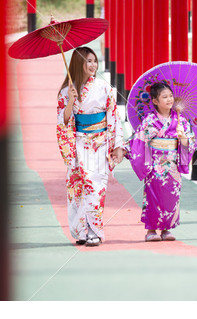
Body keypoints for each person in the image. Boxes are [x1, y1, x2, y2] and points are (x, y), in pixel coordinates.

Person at [56, 46, 124, 246]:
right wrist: (70, 101)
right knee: (78, 187)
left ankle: (94, 230)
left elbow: (114, 117)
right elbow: (63, 121)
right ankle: (81, 231)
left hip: (100, 143)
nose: (93, 65)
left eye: (95, 61)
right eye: (89, 61)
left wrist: (117, 145)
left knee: (96, 186)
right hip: (77, 143)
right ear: (79, 64)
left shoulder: (104, 88)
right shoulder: (67, 91)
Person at [125, 82, 195, 242]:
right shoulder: (149, 120)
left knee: (171, 196)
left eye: (170, 96)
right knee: (152, 196)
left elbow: (190, 143)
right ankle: (150, 230)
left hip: (173, 165)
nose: (169, 99)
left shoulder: (181, 120)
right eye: (164, 97)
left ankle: (166, 229)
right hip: (154, 164)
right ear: (155, 101)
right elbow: (138, 140)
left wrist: (184, 138)